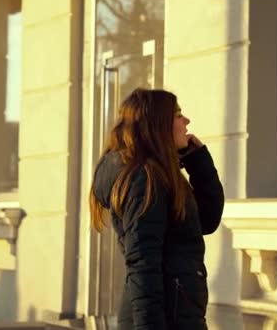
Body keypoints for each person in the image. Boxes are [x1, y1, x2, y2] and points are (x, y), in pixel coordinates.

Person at [89, 88, 225, 330]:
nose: (186, 121)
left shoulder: (160, 174)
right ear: (158, 125)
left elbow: (206, 221)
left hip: (178, 314)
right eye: (178, 115)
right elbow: (143, 262)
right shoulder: (144, 179)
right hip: (162, 319)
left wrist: (198, 161)